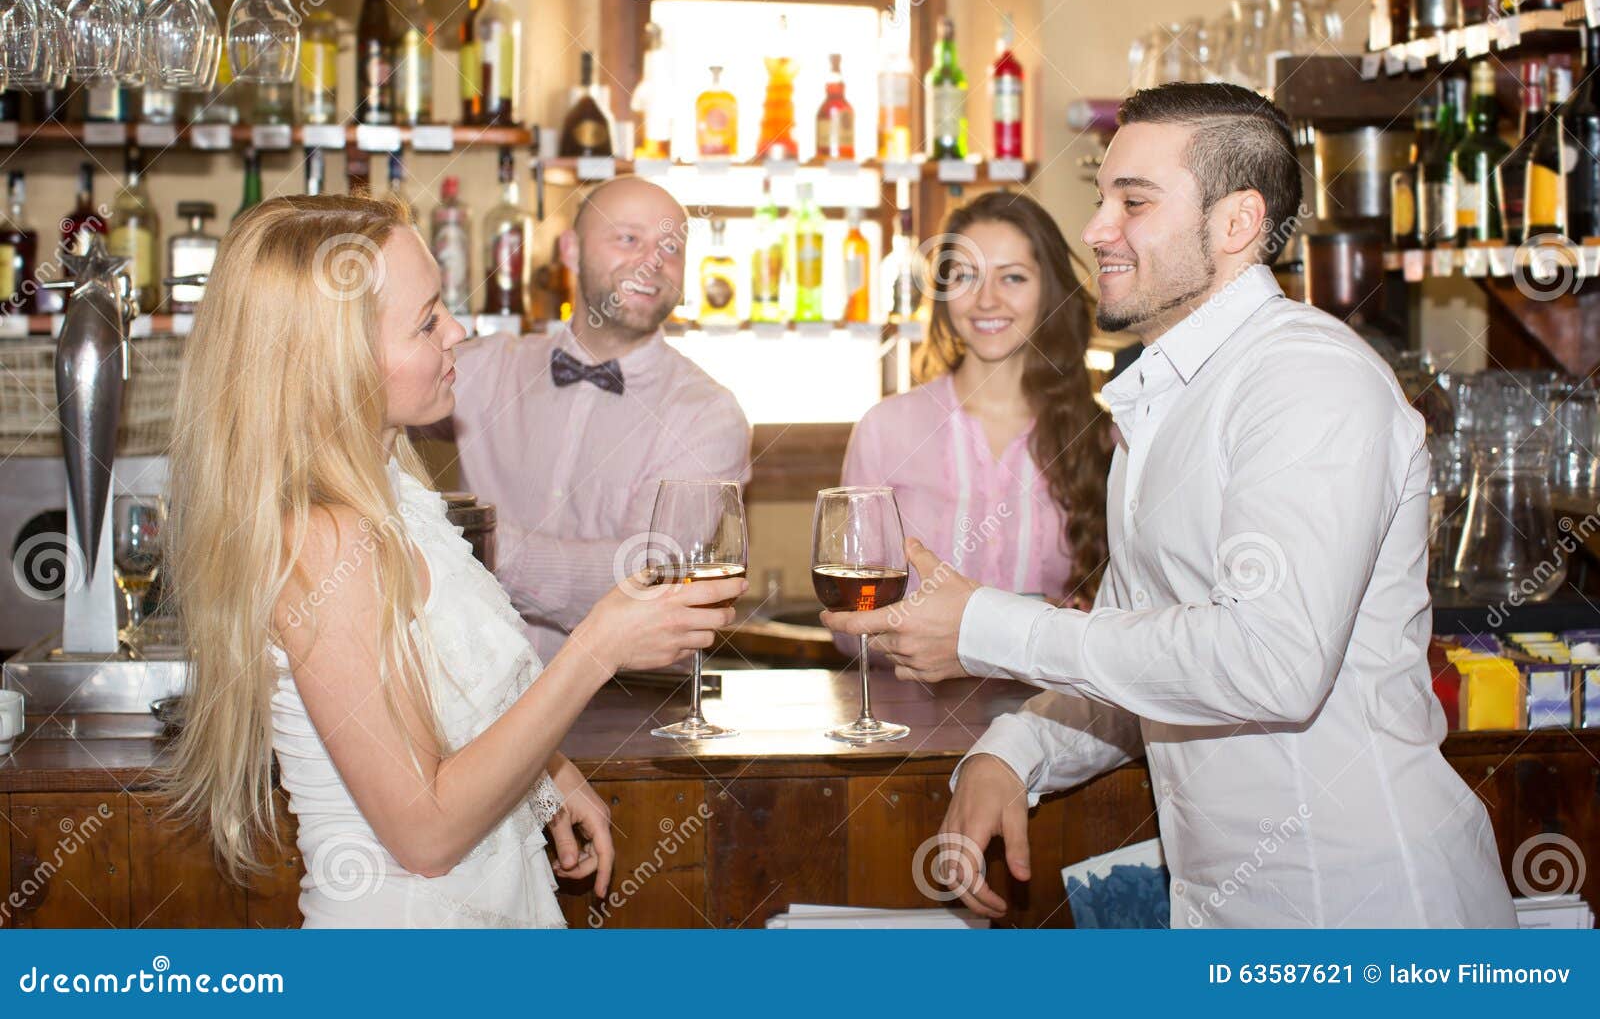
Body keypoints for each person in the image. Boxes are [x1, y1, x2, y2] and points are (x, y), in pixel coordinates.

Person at [822, 83, 1516, 928]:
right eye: (1101, 198)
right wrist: (1015, 748)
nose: (1095, 229)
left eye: (1134, 202)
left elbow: (1271, 664)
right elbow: (1136, 657)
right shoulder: (1162, 402)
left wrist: (986, 625)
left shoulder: (1308, 378)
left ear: (1237, 223)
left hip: (1367, 915)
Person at [163, 195, 746, 927]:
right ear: (339, 359)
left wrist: (548, 771)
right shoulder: (329, 540)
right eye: (427, 320)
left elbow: (449, 699)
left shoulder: (398, 495)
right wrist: (597, 647)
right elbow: (427, 835)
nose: (458, 332)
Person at [444, 177, 751, 661]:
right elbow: (355, 406)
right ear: (570, 250)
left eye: (671, 247)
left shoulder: (708, 413)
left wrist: (471, 541)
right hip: (470, 689)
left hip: (630, 697)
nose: (652, 262)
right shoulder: (484, 369)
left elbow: (649, 575)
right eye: (628, 238)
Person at [836, 191, 1110, 660]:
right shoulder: (885, 430)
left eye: (1013, 277)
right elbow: (849, 628)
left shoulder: (1102, 437)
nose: (987, 300)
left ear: (1050, 290)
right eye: (965, 276)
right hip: (906, 705)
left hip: (1052, 708)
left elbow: (1123, 627)